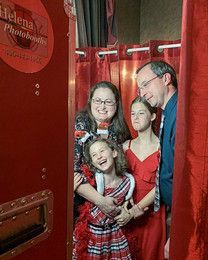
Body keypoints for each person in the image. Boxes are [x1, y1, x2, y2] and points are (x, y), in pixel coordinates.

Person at [135, 60, 178, 258]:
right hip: (172, 213)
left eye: (145, 84)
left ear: (166, 78)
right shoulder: (168, 112)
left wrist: (177, 230)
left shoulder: (180, 113)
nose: (142, 93)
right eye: (139, 88)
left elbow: (189, 178)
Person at [115, 97, 166, 259]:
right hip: (125, 214)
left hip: (152, 216)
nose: (135, 117)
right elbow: (116, 182)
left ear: (152, 116)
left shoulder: (162, 147)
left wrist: (135, 210)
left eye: (141, 113)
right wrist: (125, 210)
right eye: (132, 113)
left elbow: (162, 185)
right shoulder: (125, 147)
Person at [74, 81, 131, 218]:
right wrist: (101, 201)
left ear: (116, 105)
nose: (102, 106)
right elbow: (73, 174)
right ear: (90, 102)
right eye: (98, 100)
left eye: (108, 102)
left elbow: (125, 169)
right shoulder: (80, 123)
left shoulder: (121, 129)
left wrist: (126, 199)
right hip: (83, 204)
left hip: (115, 199)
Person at [73, 138, 133, 259]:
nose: (99, 156)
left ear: (114, 153)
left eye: (102, 151)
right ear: (93, 163)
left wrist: (126, 211)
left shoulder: (128, 182)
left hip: (114, 235)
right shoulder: (91, 182)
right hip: (93, 236)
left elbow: (126, 204)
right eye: (94, 155)